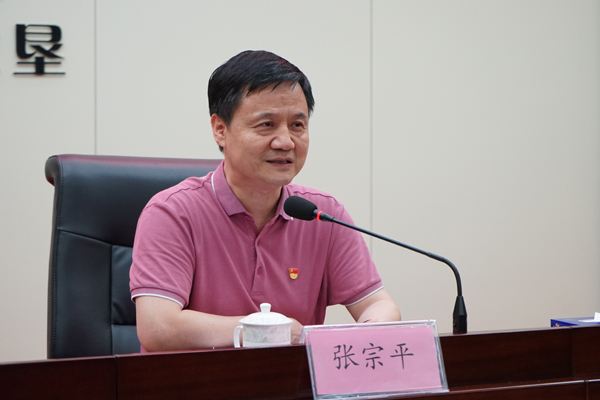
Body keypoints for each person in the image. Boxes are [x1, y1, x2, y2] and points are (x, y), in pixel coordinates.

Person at [130, 50, 400, 352]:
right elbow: (158, 328)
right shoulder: (172, 212)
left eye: (297, 125)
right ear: (220, 130)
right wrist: (268, 331)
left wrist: (367, 332)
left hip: (292, 379)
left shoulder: (321, 214)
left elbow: (379, 306)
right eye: (266, 125)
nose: (285, 142)